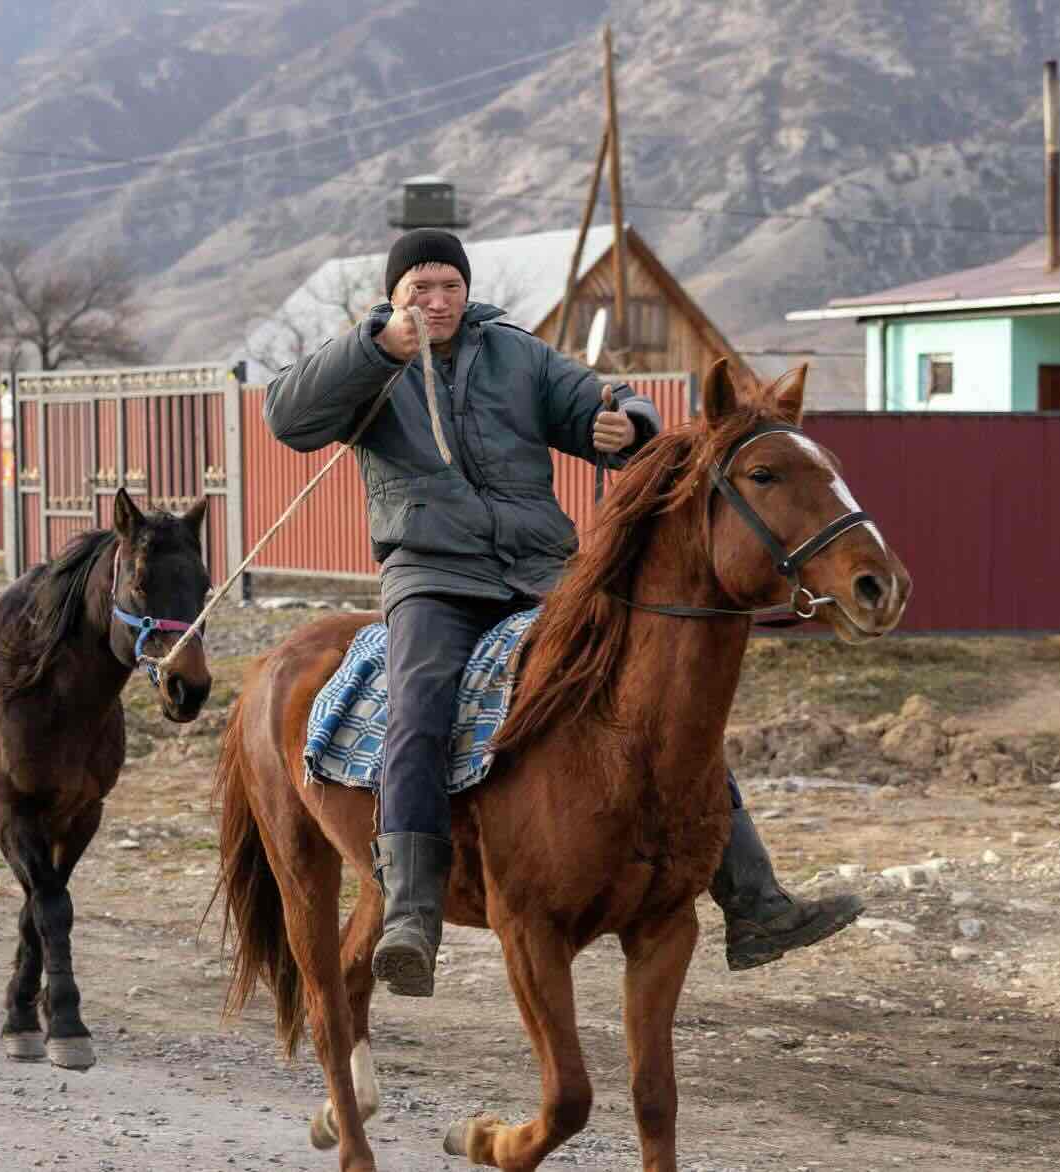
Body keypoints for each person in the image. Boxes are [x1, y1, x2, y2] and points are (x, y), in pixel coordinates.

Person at [264, 228, 861, 997]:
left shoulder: (515, 354)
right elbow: (287, 417)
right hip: (432, 576)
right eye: (420, 287)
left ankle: (756, 900)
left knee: (658, 702)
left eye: (449, 285)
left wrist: (627, 425)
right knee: (420, 706)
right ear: (395, 295)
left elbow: (599, 402)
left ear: (466, 291)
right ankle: (412, 910)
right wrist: (377, 348)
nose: (436, 300)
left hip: (543, 571)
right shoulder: (371, 364)